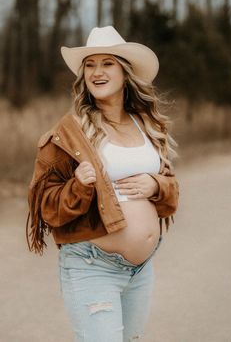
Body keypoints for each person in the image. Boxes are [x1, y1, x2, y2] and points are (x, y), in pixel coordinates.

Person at [26, 25, 179, 342]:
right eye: (90, 65)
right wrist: (77, 187)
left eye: (107, 63)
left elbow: (170, 187)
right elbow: (43, 206)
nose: (97, 72)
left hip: (140, 269)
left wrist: (155, 186)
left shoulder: (147, 124)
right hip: (93, 266)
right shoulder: (70, 133)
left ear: (125, 72)